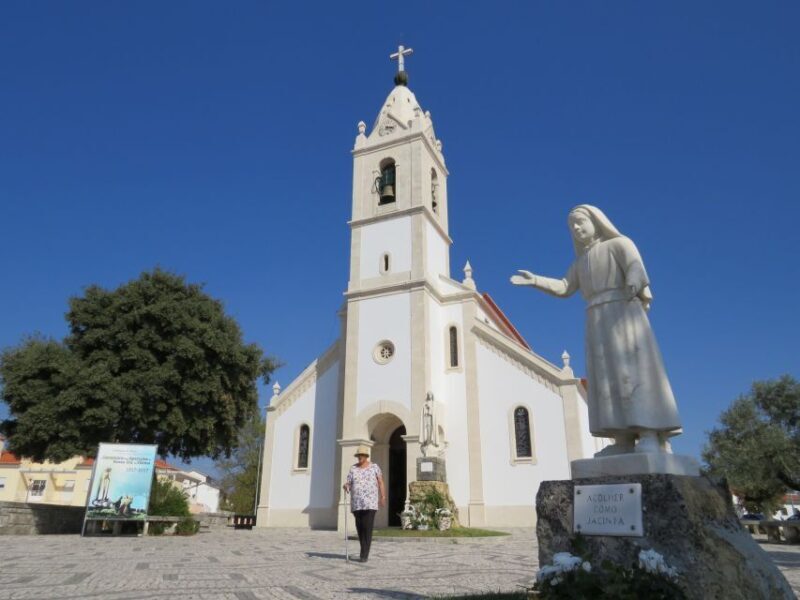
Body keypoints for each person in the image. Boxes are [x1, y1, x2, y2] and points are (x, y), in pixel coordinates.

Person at [510, 205, 681, 455]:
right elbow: (564, 286)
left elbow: (635, 266)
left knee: (632, 370)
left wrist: (633, 281)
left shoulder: (620, 244)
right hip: (596, 318)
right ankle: (622, 438)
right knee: (607, 376)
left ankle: (648, 432)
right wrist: (535, 280)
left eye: (580, 222)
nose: (576, 228)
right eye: (572, 226)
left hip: (622, 310)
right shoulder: (581, 262)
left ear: (596, 221)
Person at [343, 445, 386, 563]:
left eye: (362, 455)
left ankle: (364, 554)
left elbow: (380, 482)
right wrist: (346, 485)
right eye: (358, 455)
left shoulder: (374, 467)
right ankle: (363, 549)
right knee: (360, 527)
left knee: (367, 527)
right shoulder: (353, 468)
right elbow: (349, 483)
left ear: (366, 456)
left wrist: (382, 496)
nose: (360, 457)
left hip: (370, 503)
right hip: (357, 503)